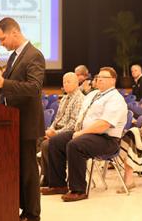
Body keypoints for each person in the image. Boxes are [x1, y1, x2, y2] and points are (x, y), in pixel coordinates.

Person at [0, 17, 45, 221]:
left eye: (2, 38)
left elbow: (34, 88)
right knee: (19, 170)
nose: (1, 43)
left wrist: (4, 83)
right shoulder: (14, 56)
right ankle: (21, 209)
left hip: (27, 123)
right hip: (13, 122)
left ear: (14, 32)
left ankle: (32, 215)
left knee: (29, 171)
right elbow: (0, 86)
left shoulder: (34, 55)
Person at [41, 67, 127, 202]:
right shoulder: (93, 95)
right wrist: (76, 131)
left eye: (103, 77)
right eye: (98, 76)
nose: (99, 79)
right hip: (87, 134)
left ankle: (78, 190)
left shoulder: (116, 99)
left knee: (76, 145)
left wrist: (81, 132)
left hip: (107, 139)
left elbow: (104, 124)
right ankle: (58, 184)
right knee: (55, 141)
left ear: (113, 81)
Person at [40, 72, 84, 187]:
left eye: (68, 81)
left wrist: (55, 133)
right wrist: (50, 129)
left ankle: (53, 180)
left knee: (46, 145)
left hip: (70, 132)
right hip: (58, 130)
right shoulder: (64, 98)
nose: (65, 84)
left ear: (77, 83)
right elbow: (57, 119)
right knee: (37, 140)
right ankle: (46, 176)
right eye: (64, 82)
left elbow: (73, 124)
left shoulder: (80, 99)